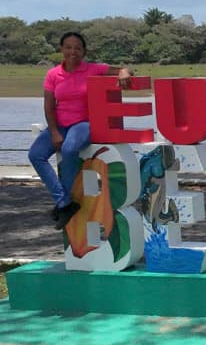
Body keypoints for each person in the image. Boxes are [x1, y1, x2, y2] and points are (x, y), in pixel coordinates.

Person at [28, 31, 135, 230]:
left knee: (69, 150)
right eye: (68, 47)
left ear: (84, 51)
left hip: (84, 124)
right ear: (61, 50)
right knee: (35, 155)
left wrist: (124, 72)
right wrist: (54, 132)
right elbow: (49, 106)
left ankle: (63, 204)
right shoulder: (53, 74)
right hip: (60, 124)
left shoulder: (93, 69)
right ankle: (64, 202)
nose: (73, 51)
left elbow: (124, 70)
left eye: (77, 47)